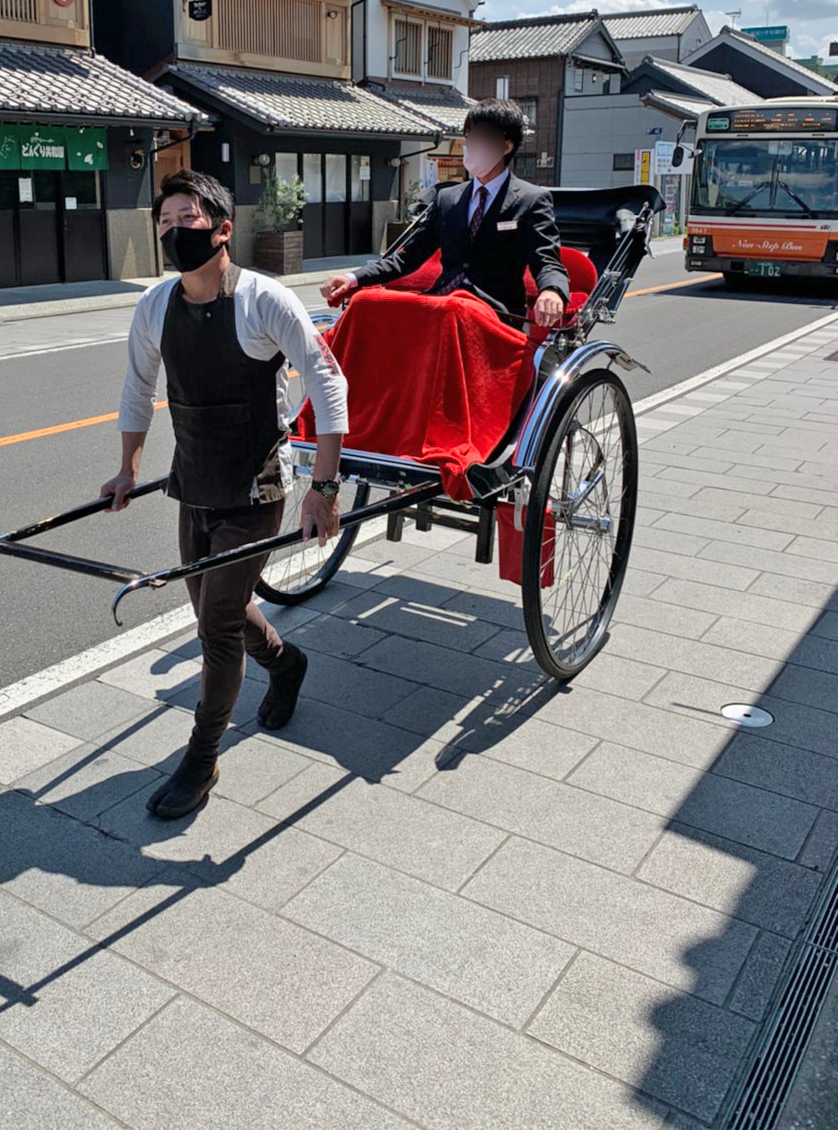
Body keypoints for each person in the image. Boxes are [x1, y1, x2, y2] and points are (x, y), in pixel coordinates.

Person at [101, 170, 348, 820]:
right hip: (195, 485)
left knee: (215, 624)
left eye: (188, 219)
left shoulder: (264, 300)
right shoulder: (154, 305)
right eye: (165, 222)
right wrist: (127, 467)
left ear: (223, 228)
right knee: (223, 612)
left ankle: (202, 758)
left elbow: (328, 384)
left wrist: (324, 486)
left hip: (256, 488)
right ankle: (285, 663)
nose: (175, 231)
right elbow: (136, 389)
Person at [322, 99, 569, 326]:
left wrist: (552, 291)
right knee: (368, 309)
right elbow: (407, 258)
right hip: (443, 301)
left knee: (453, 316)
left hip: (494, 313)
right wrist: (352, 278)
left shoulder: (530, 200)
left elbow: (546, 260)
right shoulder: (447, 198)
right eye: (470, 137)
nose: (472, 145)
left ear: (506, 146)